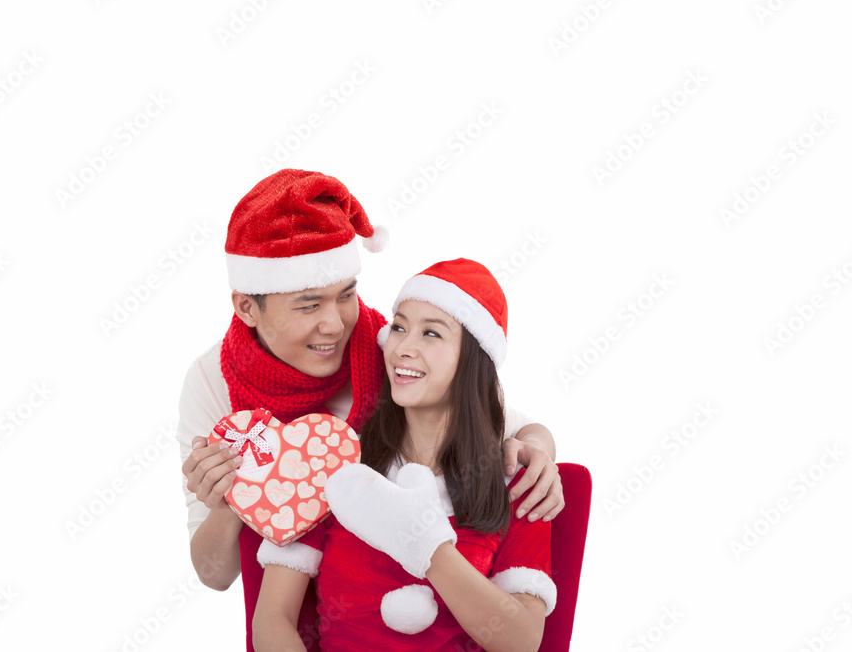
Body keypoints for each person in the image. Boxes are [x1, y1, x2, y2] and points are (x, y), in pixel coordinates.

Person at [178, 170, 563, 652]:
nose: (335, 324)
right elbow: (225, 583)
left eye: (346, 295)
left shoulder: (382, 353)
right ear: (248, 307)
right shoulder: (224, 392)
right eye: (307, 304)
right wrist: (234, 495)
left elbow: (490, 413)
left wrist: (539, 447)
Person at [254, 258, 557, 651]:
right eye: (398, 327)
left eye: (431, 333)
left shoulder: (518, 482)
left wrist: (425, 545)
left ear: (473, 359)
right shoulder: (332, 464)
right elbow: (272, 621)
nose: (403, 348)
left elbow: (520, 642)